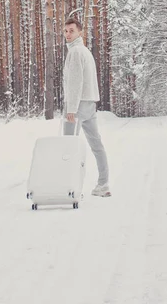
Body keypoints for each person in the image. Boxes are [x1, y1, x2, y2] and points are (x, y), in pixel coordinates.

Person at [63, 17, 111, 197]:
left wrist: (71, 109)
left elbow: (75, 82)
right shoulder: (85, 51)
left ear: (80, 32)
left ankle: (71, 187)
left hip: (77, 105)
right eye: (66, 31)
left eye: (71, 31)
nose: (68, 34)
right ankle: (103, 184)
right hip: (90, 104)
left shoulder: (75, 52)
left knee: (68, 146)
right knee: (96, 145)